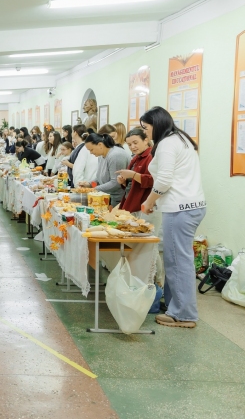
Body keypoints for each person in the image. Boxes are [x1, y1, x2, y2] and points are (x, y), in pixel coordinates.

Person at [140, 107, 206, 329]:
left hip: (180, 209)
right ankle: (174, 305)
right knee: (177, 259)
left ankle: (184, 314)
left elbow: (165, 179)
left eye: (146, 128)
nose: (145, 132)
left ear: (156, 124)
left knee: (178, 261)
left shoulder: (168, 143)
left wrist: (149, 201)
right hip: (189, 206)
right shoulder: (181, 139)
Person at [113, 127, 160, 281]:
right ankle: (139, 278)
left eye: (135, 142)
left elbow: (153, 181)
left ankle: (155, 279)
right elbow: (131, 184)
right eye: (129, 144)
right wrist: (123, 181)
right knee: (139, 247)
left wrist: (133, 175)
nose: (132, 147)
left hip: (146, 206)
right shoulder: (135, 158)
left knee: (148, 246)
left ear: (146, 140)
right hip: (132, 204)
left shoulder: (151, 156)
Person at [78, 133, 130, 207]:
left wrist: (94, 189)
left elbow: (116, 183)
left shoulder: (115, 155)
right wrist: (89, 184)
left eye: (91, 149)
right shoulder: (101, 156)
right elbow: (99, 178)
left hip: (120, 199)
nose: (91, 153)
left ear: (100, 145)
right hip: (108, 197)